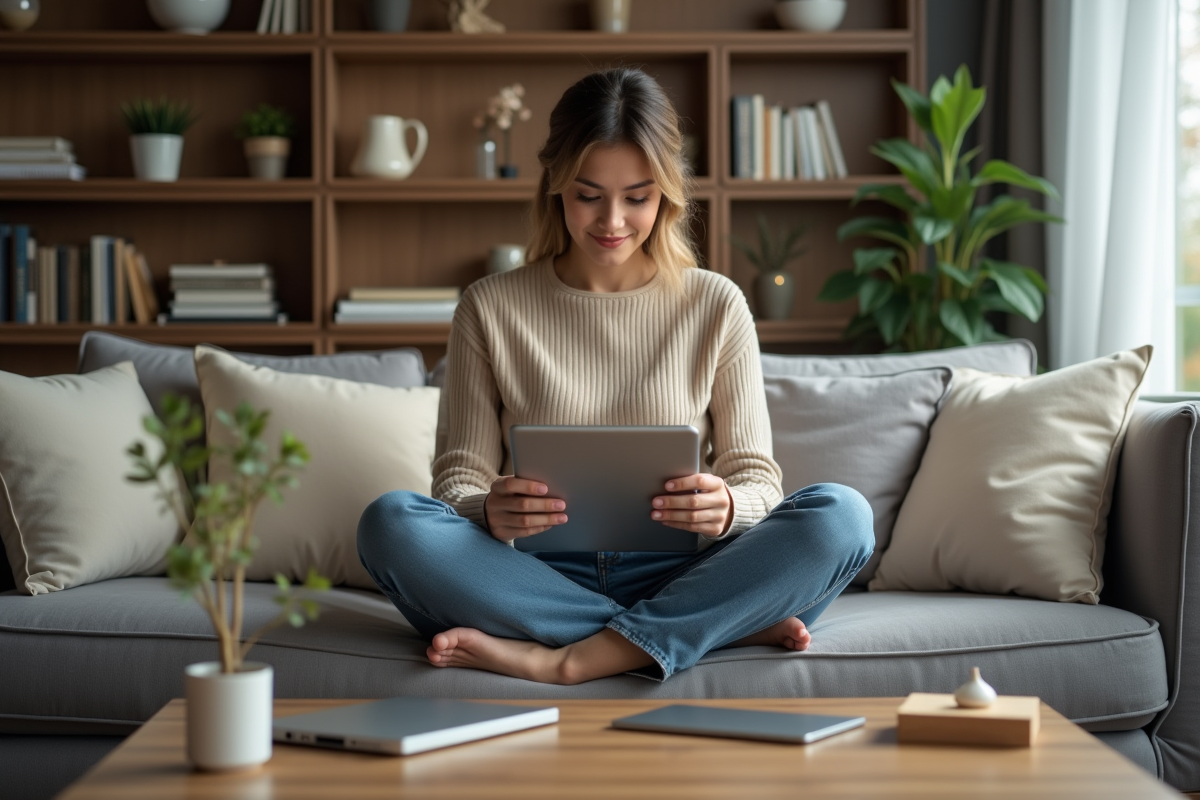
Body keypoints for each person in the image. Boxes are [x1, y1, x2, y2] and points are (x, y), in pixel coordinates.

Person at [357, 67, 874, 685]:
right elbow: (456, 482)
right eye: (588, 194)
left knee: (841, 517)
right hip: (533, 576)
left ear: (667, 194)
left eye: (638, 196)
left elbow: (757, 478)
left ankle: (574, 657)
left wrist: (729, 505)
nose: (612, 221)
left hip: (689, 567)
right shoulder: (488, 307)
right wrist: (487, 509)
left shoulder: (717, 304)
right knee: (390, 524)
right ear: (554, 183)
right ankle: (702, 629)